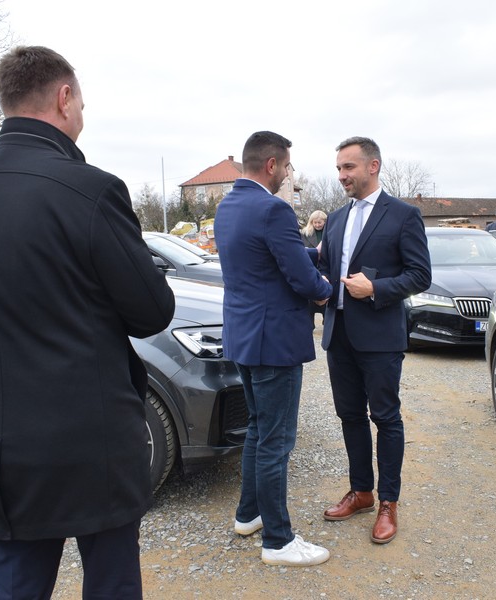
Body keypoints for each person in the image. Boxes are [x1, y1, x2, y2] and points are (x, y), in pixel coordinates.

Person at [0, 46, 175, 600]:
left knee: (12, 587)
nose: (82, 115)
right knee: (111, 585)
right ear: (64, 98)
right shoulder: (90, 190)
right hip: (92, 440)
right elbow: (150, 312)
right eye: (81, 103)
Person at [214, 131, 333, 567]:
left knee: (258, 430)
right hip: (274, 341)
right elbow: (299, 277)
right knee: (276, 440)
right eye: (286, 166)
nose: (287, 173)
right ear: (271, 165)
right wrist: (325, 289)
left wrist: (312, 255)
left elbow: (265, 260)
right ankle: (279, 541)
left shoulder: (228, 206)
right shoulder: (274, 209)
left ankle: (249, 514)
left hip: (244, 336)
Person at [318, 137, 431, 544]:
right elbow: (326, 267)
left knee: (386, 418)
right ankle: (361, 492)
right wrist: (319, 287)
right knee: (350, 416)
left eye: (348, 167)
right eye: (338, 168)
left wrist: (377, 288)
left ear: (373, 166)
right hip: (339, 334)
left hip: (380, 337)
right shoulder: (335, 219)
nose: (342, 176)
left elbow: (420, 275)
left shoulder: (403, 215)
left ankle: (388, 502)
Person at [300, 210, 328, 326]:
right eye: (315, 222)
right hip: (310, 269)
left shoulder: (330, 232)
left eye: (319, 222)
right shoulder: (304, 234)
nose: (317, 225)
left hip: (325, 269)